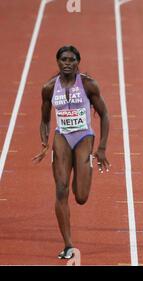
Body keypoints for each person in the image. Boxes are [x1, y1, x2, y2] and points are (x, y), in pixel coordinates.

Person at [32, 45, 110, 258]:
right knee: (60, 190)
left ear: (78, 62)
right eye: (63, 59)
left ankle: (82, 171)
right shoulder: (49, 88)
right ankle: (68, 244)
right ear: (58, 62)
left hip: (84, 136)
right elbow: (45, 119)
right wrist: (43, 143)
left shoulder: (88, 84)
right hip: (62, 137)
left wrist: (101, 148)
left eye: (71, 60)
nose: (67, 63)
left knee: (81, 197)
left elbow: (104, 115)